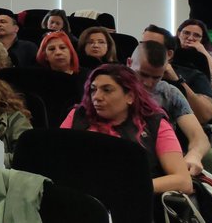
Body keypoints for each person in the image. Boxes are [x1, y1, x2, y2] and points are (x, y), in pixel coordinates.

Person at [61, 64, 193, 194]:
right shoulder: (78, 116)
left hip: (136, 203)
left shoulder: (155, 124)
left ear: (130, 97)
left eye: (107, 90)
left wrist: (128, 187)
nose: (96, 96)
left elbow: (183, 181)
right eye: (93, 89)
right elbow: (57, 160)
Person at [127, 41, 212, 177]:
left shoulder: (169, 93)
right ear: (129, 63)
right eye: (142, 74)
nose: (148, 83)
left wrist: (194, 155)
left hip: (161, 161)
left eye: (156, 77)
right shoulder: (112, 87)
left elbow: (199, 137)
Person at [176, 19, 212, 85]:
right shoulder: (169, 50)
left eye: (196, 35)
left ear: (202, 39)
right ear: (179, 34)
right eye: (186, 33)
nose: (190, 38)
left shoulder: (209, 54)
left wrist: (203, 51)